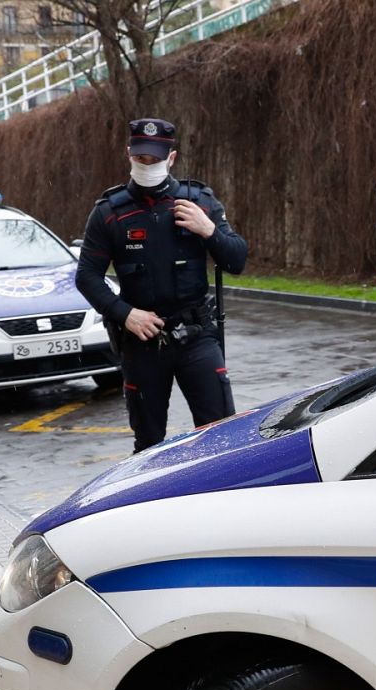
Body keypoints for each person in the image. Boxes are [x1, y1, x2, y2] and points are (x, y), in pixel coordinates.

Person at [75, 117, 247, 453]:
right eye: (141, 158)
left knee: (221, 434)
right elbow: (87, 276)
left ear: (172, 158)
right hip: (142, 341)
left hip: (196, 336)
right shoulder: (109, 213)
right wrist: (124, 314)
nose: (147, 164)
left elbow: (237, 261)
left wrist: (209, 230)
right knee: (149, 443)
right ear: (129, 154)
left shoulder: (198, 201)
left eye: (155, 158)